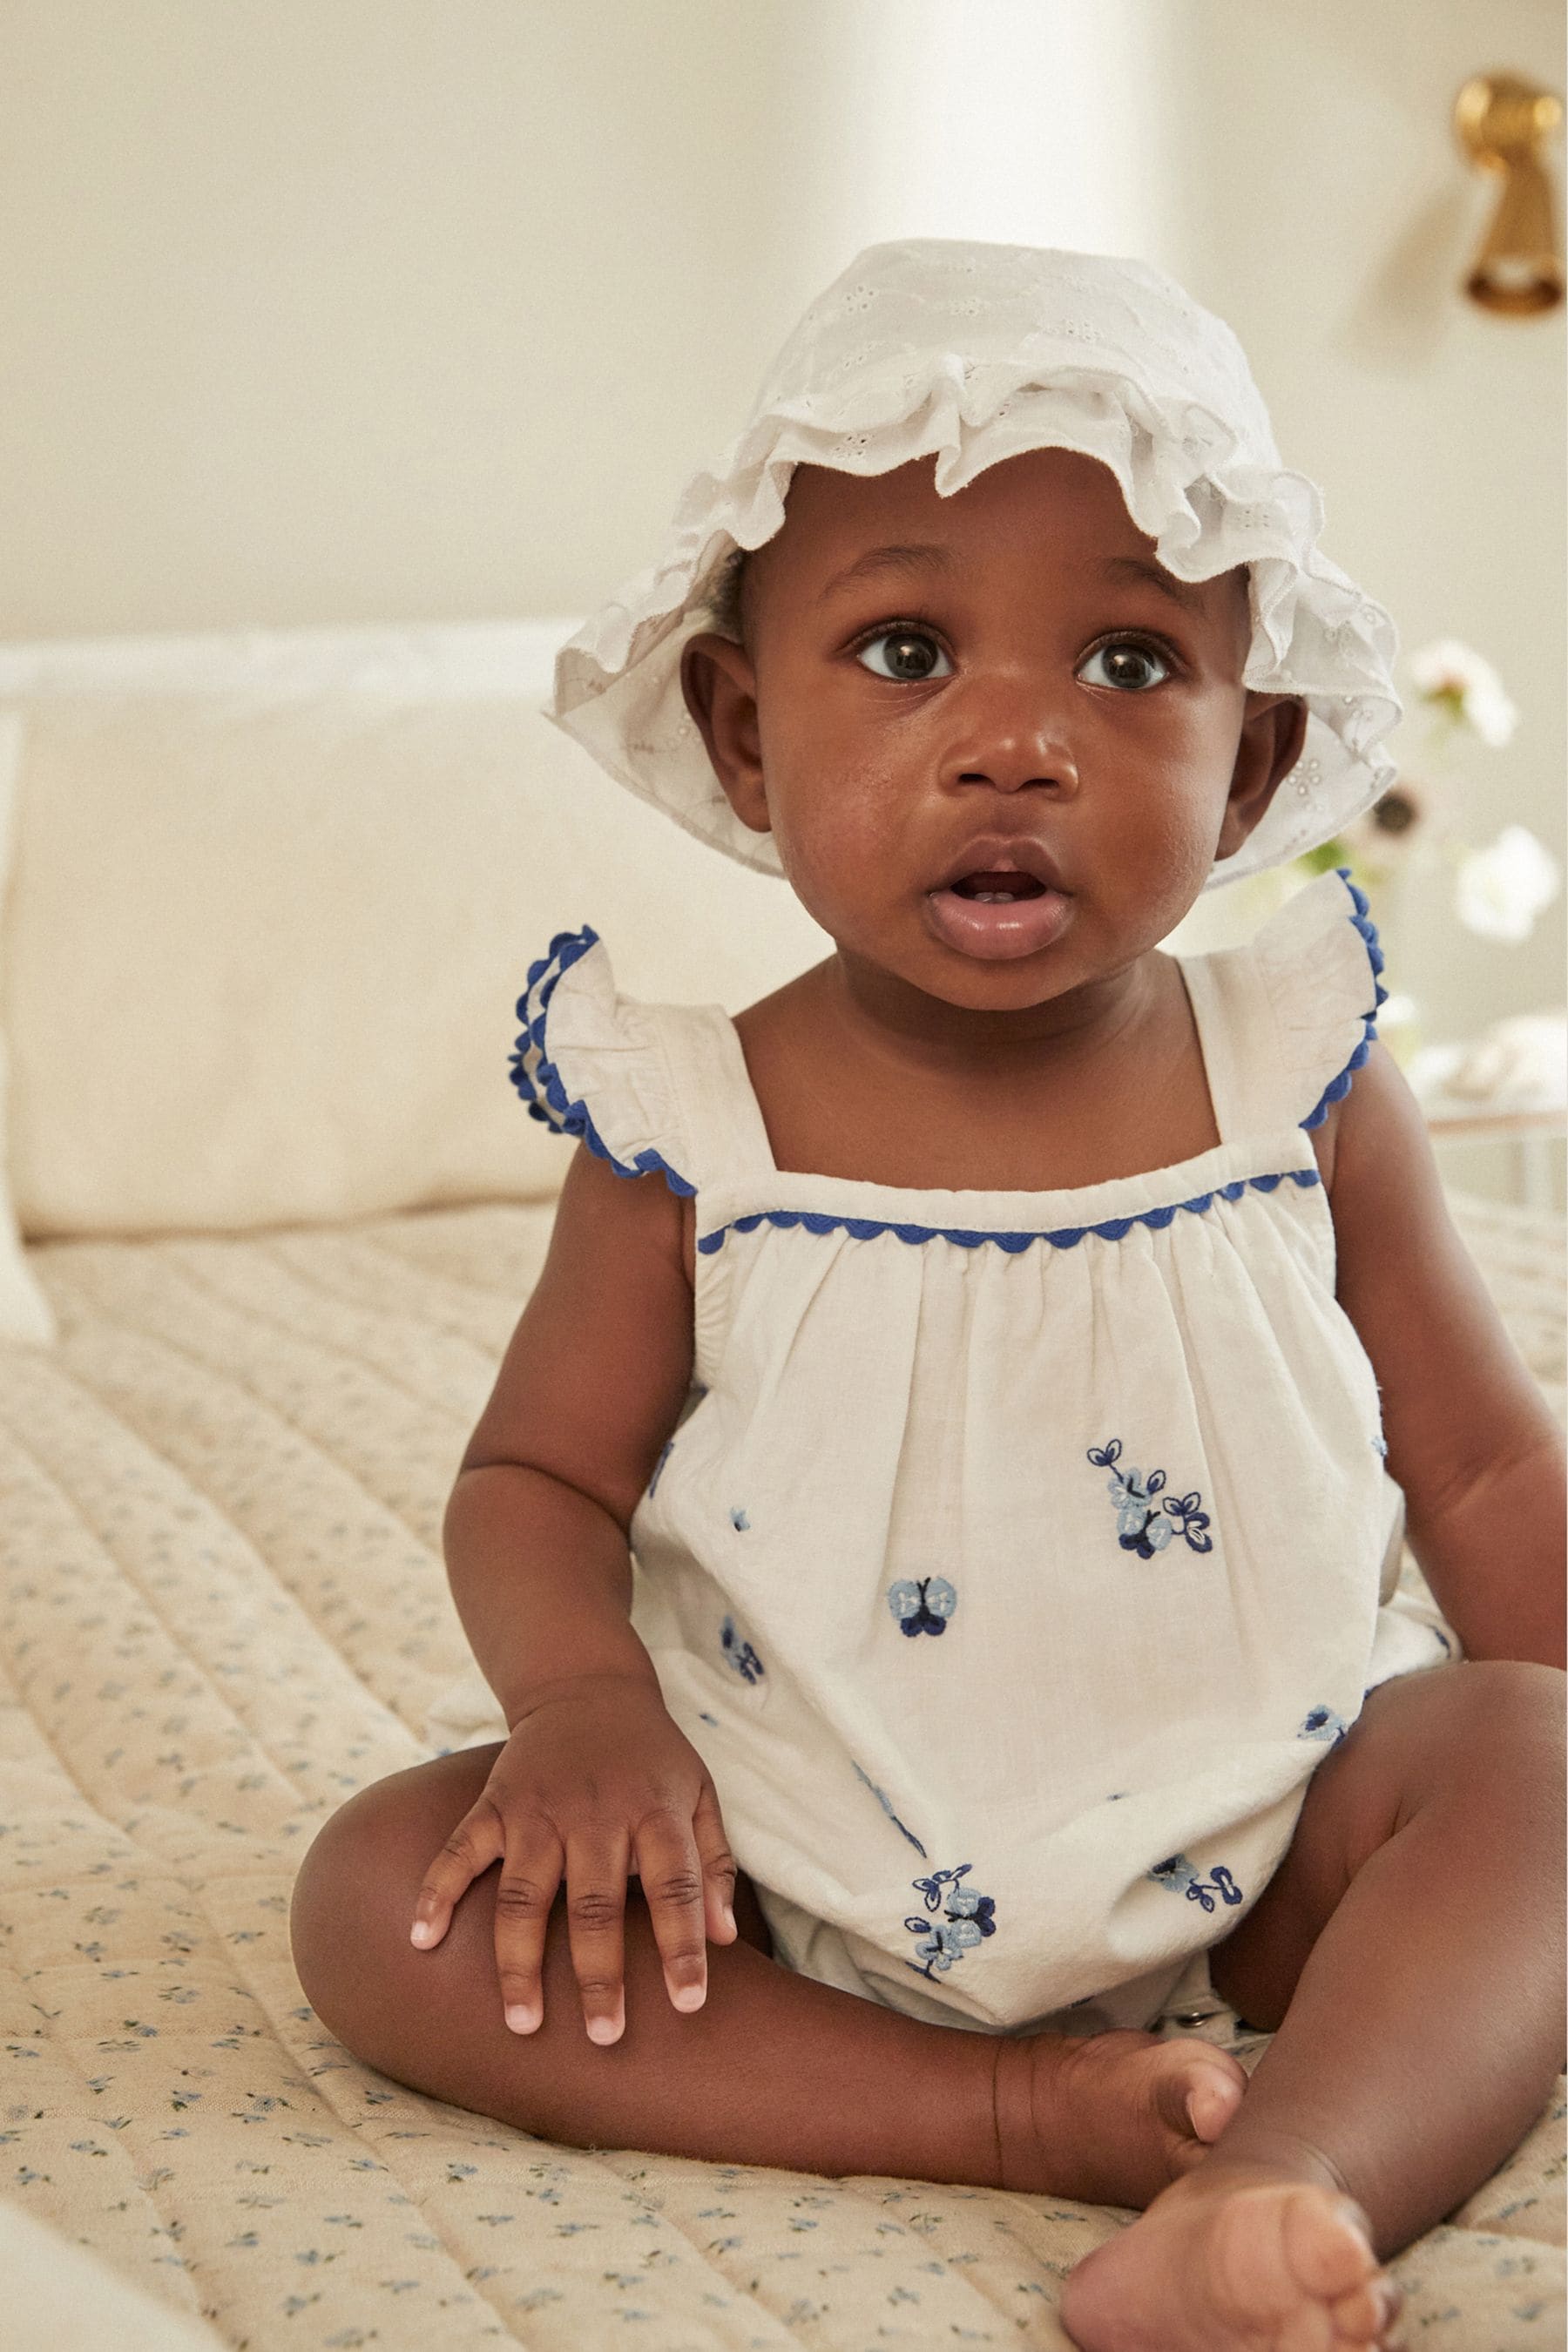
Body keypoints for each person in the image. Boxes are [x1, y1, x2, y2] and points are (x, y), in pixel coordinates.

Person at [289, 242, 1565, 2352]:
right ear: (747, 732)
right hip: (792, 1854)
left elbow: (1491, 1460)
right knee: (378, 1900)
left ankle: (1282, 2174)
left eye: (1132, 668)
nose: (1016, 745)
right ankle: (1009, 2111)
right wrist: (588, 1717)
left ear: (1250, 768)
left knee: (1534, 1762)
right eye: (904, 647)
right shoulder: (688, 1128)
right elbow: (533, 1478)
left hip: (1286, 1829)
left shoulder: (1302, 1073)